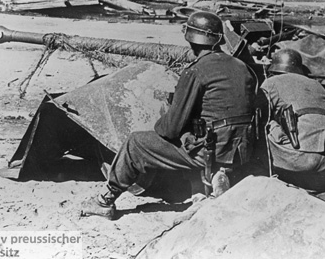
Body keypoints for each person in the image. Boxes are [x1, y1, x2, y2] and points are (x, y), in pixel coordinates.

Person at [82, 11, 257, 220]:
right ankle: (202, 188)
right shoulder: (242, 67)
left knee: (136, 143)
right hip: (241, 151)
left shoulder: (195, 71)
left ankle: (104, 201)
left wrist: (167, 114)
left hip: (211, 152)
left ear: (191, 41)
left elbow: (169, 128)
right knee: (190, 136)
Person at [257, 48, 325, 192]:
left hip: (301, 158)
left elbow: (259, 114)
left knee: (265, 124)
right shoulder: (317, 85)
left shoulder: (271, 83)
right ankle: (322, 193)